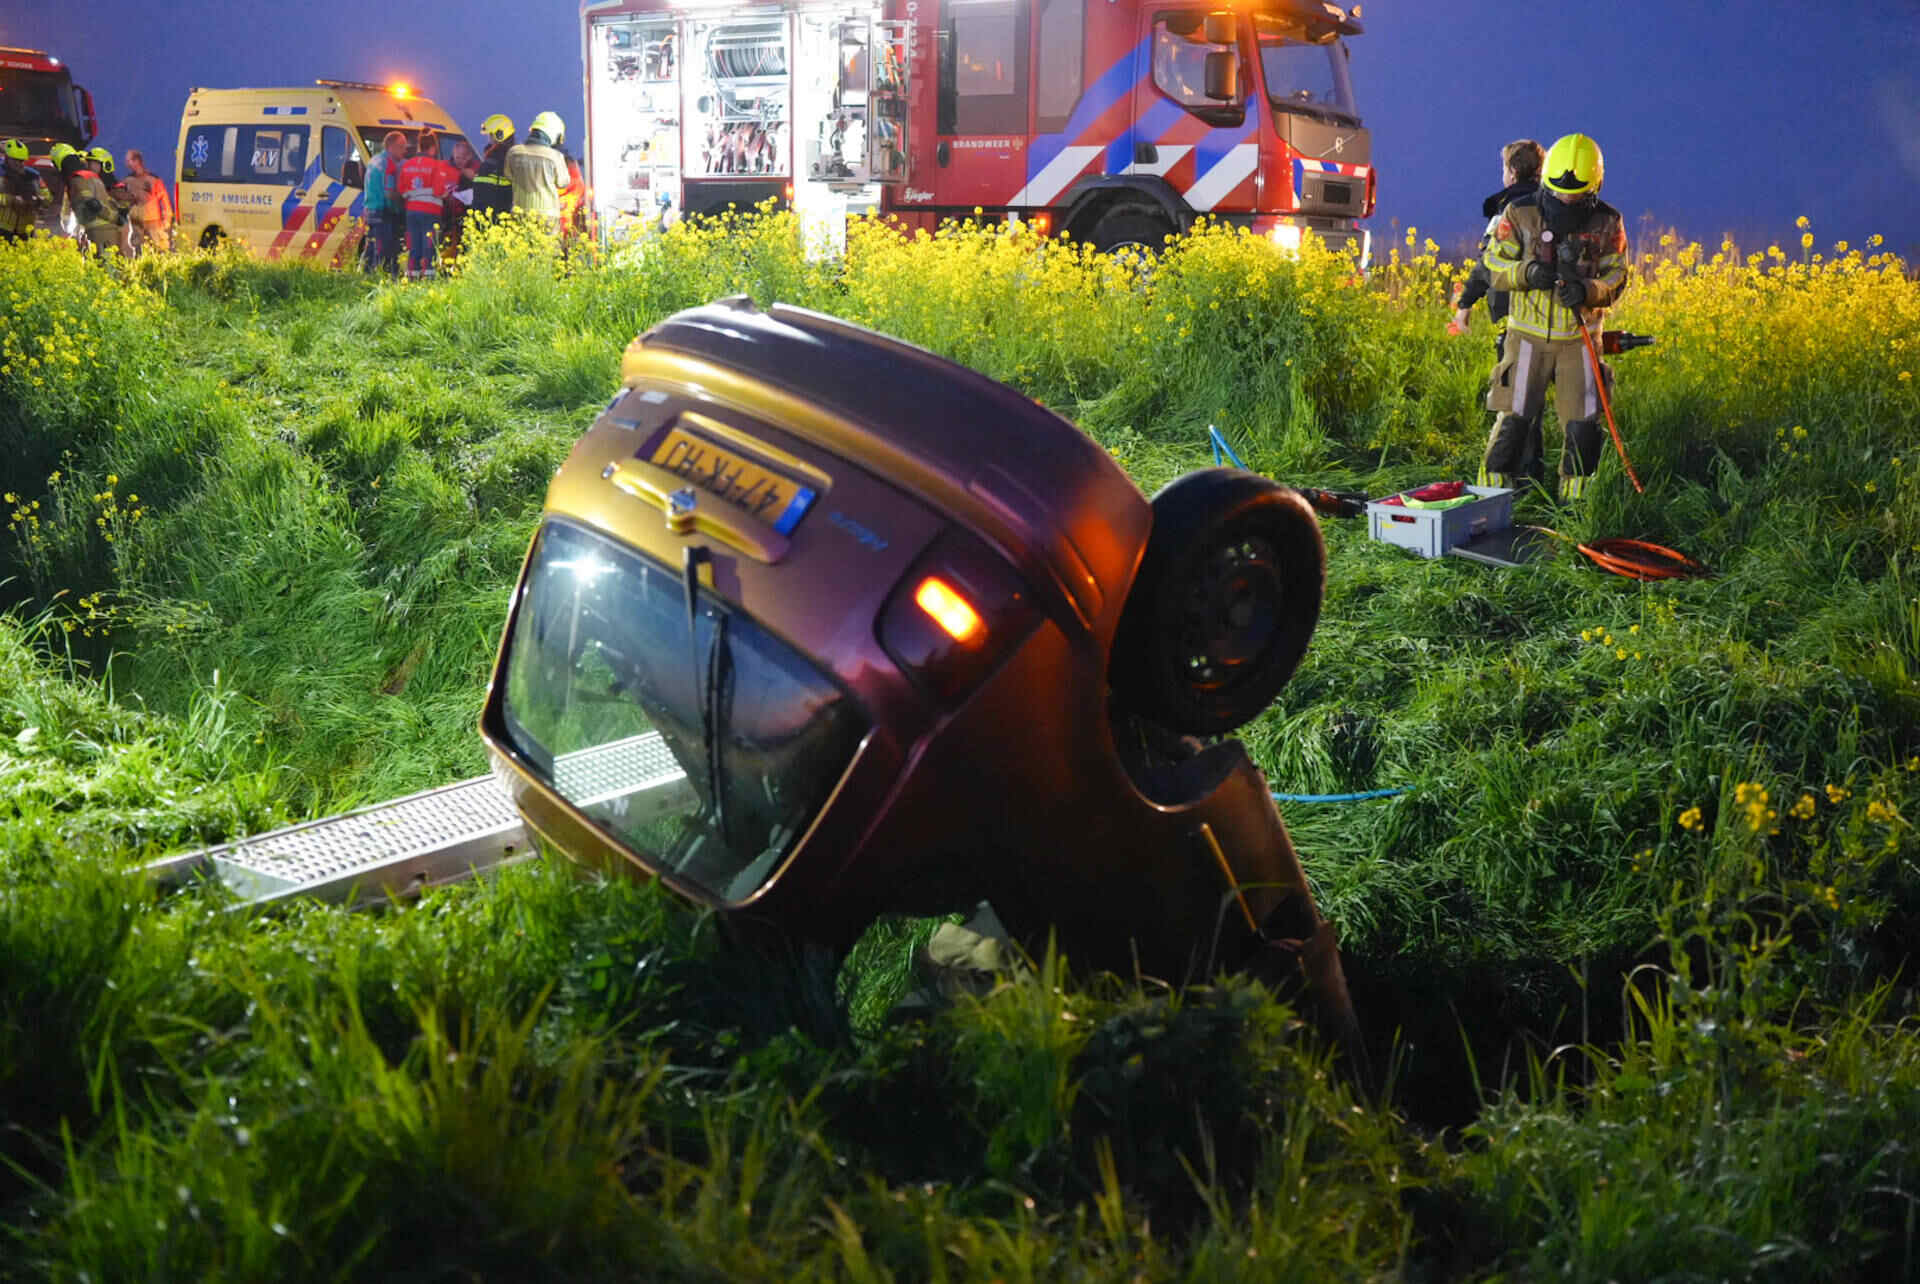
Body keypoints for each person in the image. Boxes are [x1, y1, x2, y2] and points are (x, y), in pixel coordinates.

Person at [1479, 133, 1628, 500]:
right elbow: (1494, 263)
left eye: (1575, 195)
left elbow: (1618, 273)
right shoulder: (1520, 213)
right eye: (1559, 192)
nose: (1566, 199)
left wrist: (1589, 290)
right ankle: (1491, 501)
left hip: (1579, 341)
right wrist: (1526, 273)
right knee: (1513, 419)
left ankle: (1576, 509)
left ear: (1594, 186)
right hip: (1527, 338)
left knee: (1583, 425)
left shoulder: (1608, 222)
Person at [1451, 138, 1544, 361]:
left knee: (1513, 384)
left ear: (1512, 172)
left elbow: (1489, 262)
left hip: (1515, 314)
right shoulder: (1554, 205)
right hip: (1554, 317)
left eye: (1503, 167)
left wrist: (1465, 304)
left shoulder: (1509, 209)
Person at [396, 129, 460, 278]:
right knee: (429, 247)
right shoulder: (437, 165)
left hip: (411, 211)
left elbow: (401, 190)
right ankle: (429, 280)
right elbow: (439, 191)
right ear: (433, 147)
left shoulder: (407, 165)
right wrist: (446, 194)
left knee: (414, 247)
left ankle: (412, 279)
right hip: (430, 212)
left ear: (419, 146)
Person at [505, 111, 571, 235]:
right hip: (548, 218)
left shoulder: (514, 152)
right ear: (552, 133)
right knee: (547, 253)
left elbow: (508, 175)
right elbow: (563, 182)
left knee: (520, 252)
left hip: (520, 214)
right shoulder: (555, 156)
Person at [59, 146, 126, 258]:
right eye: (87, 162)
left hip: (102, 231)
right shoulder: (84, 181)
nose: (88, 165)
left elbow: (102, 206)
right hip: (87, 230)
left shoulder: (105, 184)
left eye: (92, 163)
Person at [360, 130, 408, 277]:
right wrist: (405, 200)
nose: (404, 151)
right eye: (402, 147)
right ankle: (385, 280)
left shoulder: (374, 160)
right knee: (386, 251)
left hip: (371, 210)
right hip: (384, 213)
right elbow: (389, 193)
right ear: (392, 146)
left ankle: (366, 279)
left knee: (372, 249)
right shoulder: (389, 165)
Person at [120, 148, 174, 255]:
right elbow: (121, 199)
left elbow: (165, 201)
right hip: (135, 224)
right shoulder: (127, 181)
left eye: (128, 160)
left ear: (137, 161)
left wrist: (167, 220)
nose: (126, 164)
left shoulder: (153, 180)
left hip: (153, 222)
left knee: (159, 251)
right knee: (137, 252)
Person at [468, 114, 517, 227]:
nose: (489, 140)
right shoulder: (511, 159)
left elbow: (483, 192)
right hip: (501, 219)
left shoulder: (494, 160)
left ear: (499, 135)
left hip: (490, 219)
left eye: (490, 135)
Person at [0, 138, 51, 243]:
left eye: (21, 160)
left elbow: (47, 197)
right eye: (15, 160)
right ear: (6, 157)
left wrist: (40, 200)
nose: (19, 163)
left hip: (25, 231)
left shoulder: (33, 176)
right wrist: (12, 199)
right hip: (3, 229)